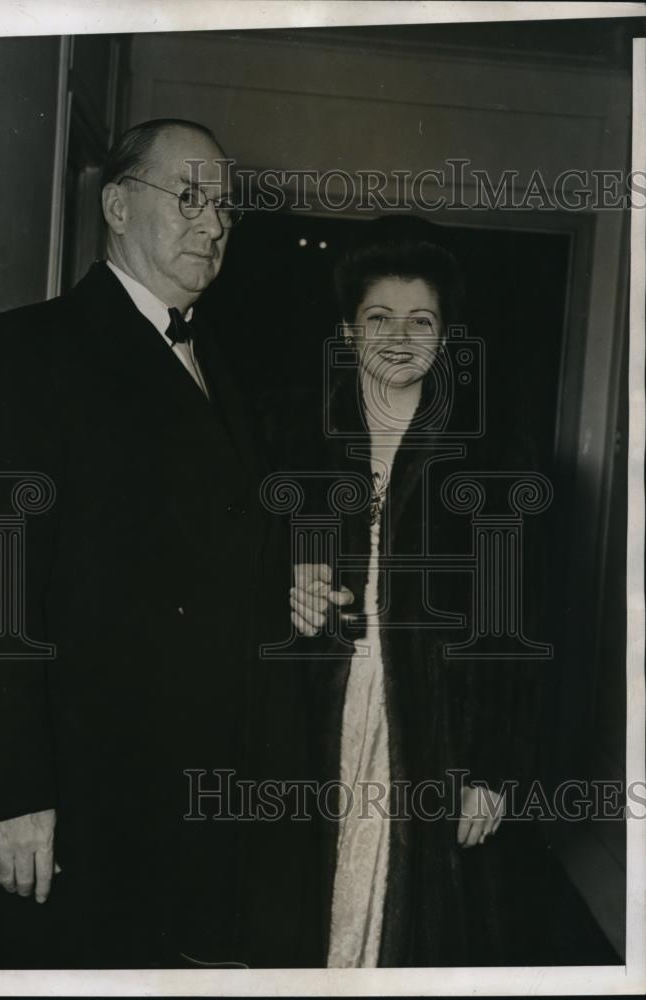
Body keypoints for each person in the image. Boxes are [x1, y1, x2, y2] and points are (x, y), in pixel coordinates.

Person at [0, 118, 316, 969]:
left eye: (225, 205)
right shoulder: (26, 349)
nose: (215, 223)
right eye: (189, 197)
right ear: (115, 205)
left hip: (200, 784)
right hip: (86, 785)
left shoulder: (221, 359)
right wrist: (9, 791)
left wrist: (287, 574)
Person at [289, 216, 548, 966]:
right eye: (379, 317)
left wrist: (496, 771)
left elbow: (513, 627)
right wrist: (286, 581)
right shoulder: (299, 437)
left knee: (418, 926)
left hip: (440, 728)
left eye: (421, 319)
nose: (399, 337)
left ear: (447, 337)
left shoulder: (494, 451)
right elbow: (243, 562)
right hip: (312, 718)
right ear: (347, 332)